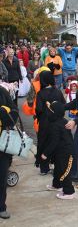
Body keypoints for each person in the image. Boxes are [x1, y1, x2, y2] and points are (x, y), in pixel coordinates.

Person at [41, 101, 75, 200]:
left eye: (50, 111)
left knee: (64, 171)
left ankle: (69, 192)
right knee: (58, 169)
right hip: (59, 151)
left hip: (66, 152)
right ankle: (57, 185)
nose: (48, 113)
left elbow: (54, 141)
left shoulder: (55, 125)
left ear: (54, 113)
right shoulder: (61, 120)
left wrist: (45, 153)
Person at [35, 71, 66, 174]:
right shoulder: (57, 91)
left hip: (45, 122)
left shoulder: (41, 93)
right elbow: (63, 105)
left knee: (44, 143)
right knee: (55, 142)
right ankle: (55, 163)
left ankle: (44, 168)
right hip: (57, 121)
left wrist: (39, 117)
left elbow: (38, 109)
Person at [0, 86, 19, 219]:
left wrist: (3, 114)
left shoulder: (2, 92)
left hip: (3, 145)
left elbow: (14, 114)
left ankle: (1, 207)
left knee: (1, 177)